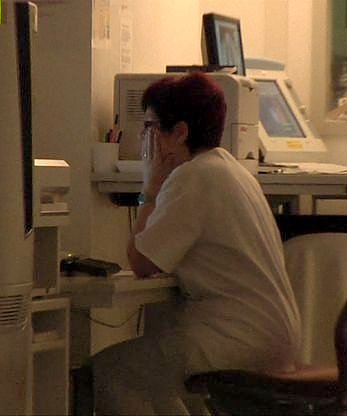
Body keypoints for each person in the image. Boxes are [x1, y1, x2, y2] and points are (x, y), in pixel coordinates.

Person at [91, 72, 302, 415]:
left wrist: (150, 187)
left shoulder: (192, 177)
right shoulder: (234, 171)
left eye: (149, 128)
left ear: (179, 132)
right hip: (272, 334)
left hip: (236, 337)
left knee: (109, 371)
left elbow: (142, 262)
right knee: (158, 378)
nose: (144, 139)